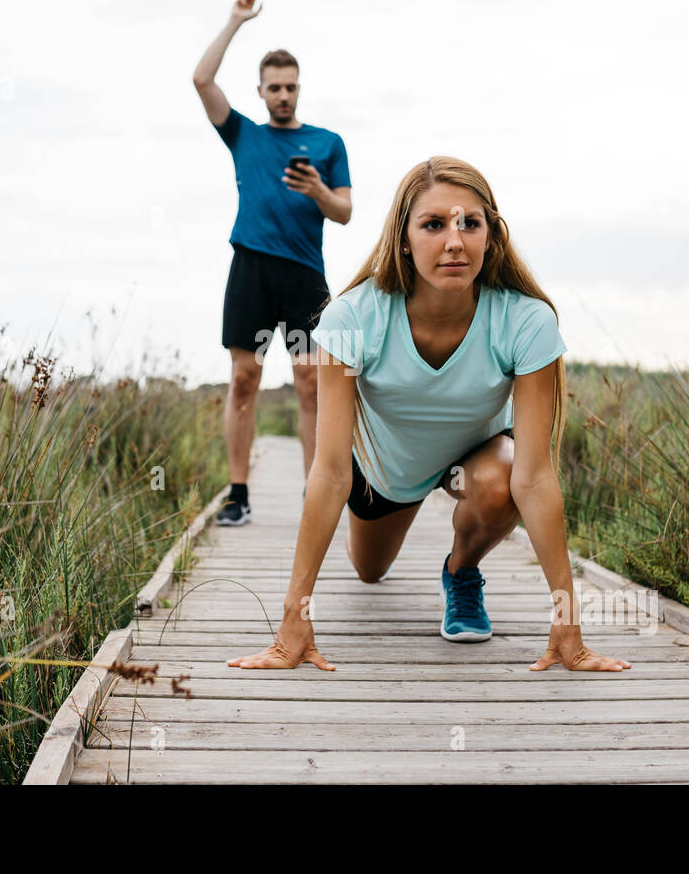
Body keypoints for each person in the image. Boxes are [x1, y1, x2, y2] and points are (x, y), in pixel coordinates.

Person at [227, 156, 632, 672]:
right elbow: (330, 472)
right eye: (434, 224)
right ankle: (382, 536)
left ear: (492, 236)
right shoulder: (354, 317)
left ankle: (461, 573)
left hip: (477, 458)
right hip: (385, 475)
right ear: (404, 237)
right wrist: (294, 617)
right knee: (370, 571)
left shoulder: (526, 321)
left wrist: (568, 625)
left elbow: (534, 477)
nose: (454, 241)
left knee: (503, 478)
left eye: (470, 223)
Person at [193, 0, 353, 526]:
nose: (282, 95)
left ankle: (317, 491)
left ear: (298, 88)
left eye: (290, 86)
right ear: (260, 92)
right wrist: (235, 21)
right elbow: (201, 80)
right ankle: (238, 491)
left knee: (311, 380)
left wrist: (317, 192)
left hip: (305, 274)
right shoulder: (243, 134)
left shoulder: (327, 144)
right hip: (252, 268)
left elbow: (346, 212)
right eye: (273, 87)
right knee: (244, 379)